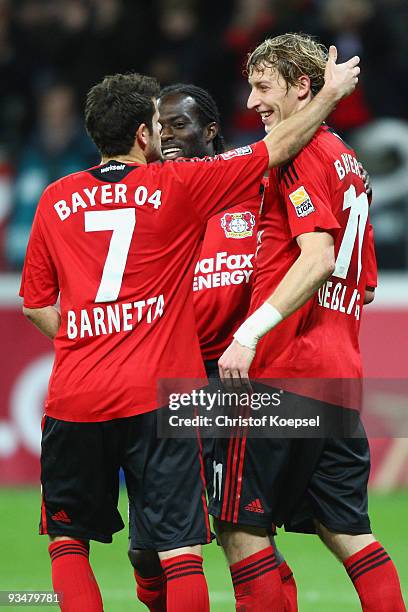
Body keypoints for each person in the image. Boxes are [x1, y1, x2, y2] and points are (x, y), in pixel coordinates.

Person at [20, 54, 360, 612]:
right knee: (181, 550)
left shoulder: (55, 199)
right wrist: (328, 96)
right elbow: (273, 148)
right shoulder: (176, 185)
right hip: (161, 396)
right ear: (141, 133)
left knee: (68, 544)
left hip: (74, 395)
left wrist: (92, 339)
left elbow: (36, 305)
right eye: (158, 125)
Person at [214, 33, 406, 611]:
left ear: (304, 86)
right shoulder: (350, 164)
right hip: (339, 378)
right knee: (347, 533)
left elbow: (319, 257)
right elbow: (364, 285)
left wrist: (248, 333)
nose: (252, 102)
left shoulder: (300, 153)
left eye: (264, 86)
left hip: (281, 375)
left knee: (242, 532)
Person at [128, 83, 297, 611]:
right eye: (160, 127)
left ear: (211, 130)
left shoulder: (252, 187)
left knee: (236, 525)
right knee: (147, 549)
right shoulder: (153, 190)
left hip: (231, 379)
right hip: (167, 378)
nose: (168, 137)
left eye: (179, 125)